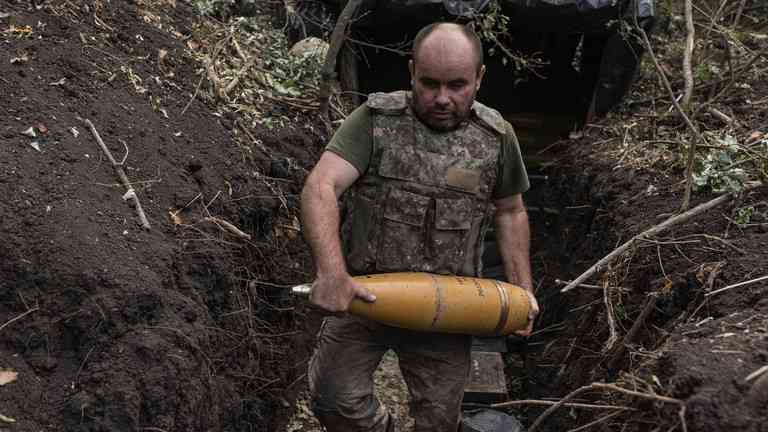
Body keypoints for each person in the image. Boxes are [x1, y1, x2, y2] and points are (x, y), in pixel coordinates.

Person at [299, 22, 539, 432]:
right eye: (429, 83)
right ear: (411, 72)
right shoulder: (374, 121)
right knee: (333, 399)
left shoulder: (496, 138)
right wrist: (332, 274)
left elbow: (511, 211)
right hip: (366, 292)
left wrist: (523, 292)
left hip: (451, 308)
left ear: (479, 78)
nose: (441, 98)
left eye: (457, 85)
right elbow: (321, 185)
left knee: (437, 420)